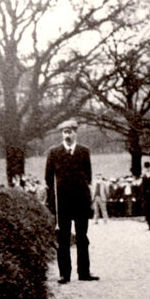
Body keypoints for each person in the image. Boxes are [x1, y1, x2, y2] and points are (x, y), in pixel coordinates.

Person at [45, 119, 99, 284]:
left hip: (80, 201)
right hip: (63, 203)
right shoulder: (54, 152)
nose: (67, 135)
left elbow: (88, 176)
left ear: (76, 132)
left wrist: (85, 196)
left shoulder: (84, 151)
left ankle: (84, 272)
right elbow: (48, 178)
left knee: (82, 237)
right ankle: (64, 274)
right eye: (64, 132)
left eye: (70, 132)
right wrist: (54, 200)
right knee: (63, 239)